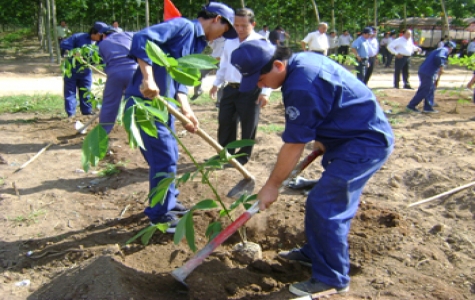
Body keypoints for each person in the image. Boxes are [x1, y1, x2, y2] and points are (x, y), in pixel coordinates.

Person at [230, 39, 394, 296]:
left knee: (326, 205)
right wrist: (325, 133)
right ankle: (314, 253)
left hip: (363, 144)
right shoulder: (301, 64)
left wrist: (272, 185)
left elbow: (294, 144)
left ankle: (332, 278)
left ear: (277, 65)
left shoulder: (301, 84)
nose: (259, 85)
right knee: (321, 201)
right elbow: (331, 99)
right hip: (346, 136)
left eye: (260, 79)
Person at [123, 2, 237, 232]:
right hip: (146, 105)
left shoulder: (197, 43)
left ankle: (169, 203)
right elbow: (142, 39)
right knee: (164, 157)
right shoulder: (183, 26)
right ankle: (160, 215)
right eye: (224, 30)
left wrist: (187, 110)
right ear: (216, 19)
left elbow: (181, 82)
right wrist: (148, 78)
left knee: (170, 154)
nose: (220, 37)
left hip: (165, 106)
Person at [209, 8, 271, 166]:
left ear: (253, 24)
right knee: (225, 122)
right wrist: (216, 84)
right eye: (236, 25)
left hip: (251, 90)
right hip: (230, 88)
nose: (240, 29)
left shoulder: (261, 43)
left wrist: (266, 92)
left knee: (248, 124)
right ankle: (224, 154)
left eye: (244, 25)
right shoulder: (230, 41)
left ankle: (242, 157)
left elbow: (268, 69)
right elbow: (224, 64)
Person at [60, 21, 108, 118]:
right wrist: (74, 51)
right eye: (101, 34)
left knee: (86, 90)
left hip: (86, 71)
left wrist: (108, 70)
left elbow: (102, 59)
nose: (103, 36)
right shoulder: (79, 37)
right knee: (70, 92)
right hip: (72, 70)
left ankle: (87, 111)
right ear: (94, 32)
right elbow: (63, 44)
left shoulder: (101, 44)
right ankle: (71, 114)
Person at [98, 27, 138, 133]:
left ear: (104, 35)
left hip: (114, 74)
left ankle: (103, 133)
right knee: (138, 102)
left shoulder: (102, 44)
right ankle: (140, 132)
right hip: (134, 71)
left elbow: (105, 64)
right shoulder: (130, 34)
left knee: (109, 105)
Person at [406, 42, 455, 114]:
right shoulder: (444, 50)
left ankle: (428, 106)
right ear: (450, 48)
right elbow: (439, 57)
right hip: (428, 72)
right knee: (425, 89)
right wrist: (441, 67)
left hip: (426, 71)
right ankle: (411, 106)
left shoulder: (437, 50)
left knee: (430, 89)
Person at [191, 36, 226, 102]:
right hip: (213, 59)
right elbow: (213, 46)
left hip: (224, 61)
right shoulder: (217, 35)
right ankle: (198, 92)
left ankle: (219, 101)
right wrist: (211, 40)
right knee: (199, 73)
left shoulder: (231, 37)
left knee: (222, 80)